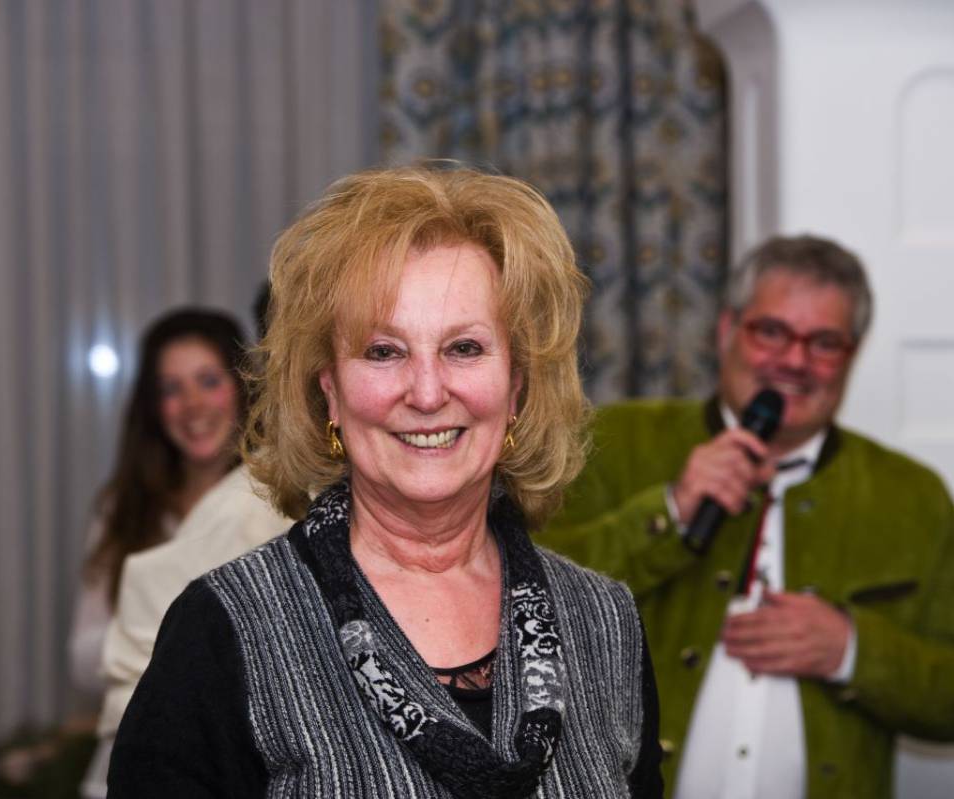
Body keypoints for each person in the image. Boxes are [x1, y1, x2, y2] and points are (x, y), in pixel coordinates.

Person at [107, 165, 665, 798]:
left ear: (516, 387)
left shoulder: (606, 626)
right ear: (330, 392)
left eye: (464, 348)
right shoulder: (227, 628)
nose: (426, 393)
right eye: (383, 351)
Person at [539, 234, 954, 798]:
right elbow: (519, 606)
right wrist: (668, 513)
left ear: (852, 356)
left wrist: (850, 650)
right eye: (772, 332)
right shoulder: (611, 444)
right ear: (726, 331)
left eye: (825, 342)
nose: (794, 361)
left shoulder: (911, 495)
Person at [80, 294, 292, 798]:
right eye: (172, 389)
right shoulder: (125, 508)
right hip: (121, 763)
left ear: (243, 385)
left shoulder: (279, 498)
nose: (193, 404)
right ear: (153, 408)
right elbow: (82, 655)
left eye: (208, 381)